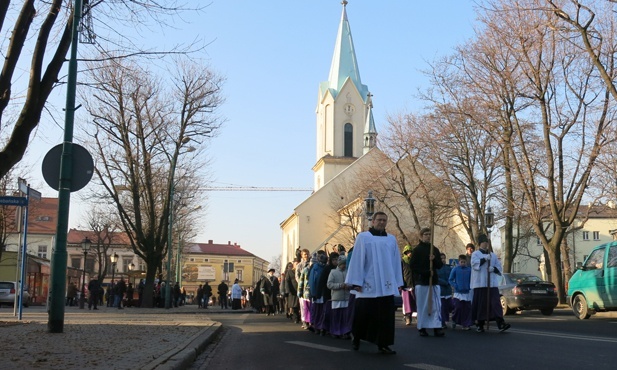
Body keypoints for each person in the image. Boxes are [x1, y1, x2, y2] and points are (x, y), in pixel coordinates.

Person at [345, 211, 403, 355]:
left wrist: (398, 281)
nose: (382, 222)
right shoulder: (363, 237)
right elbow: (357, 260)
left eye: (384, 220)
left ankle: (384, 344)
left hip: (386, 284)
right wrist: (356, 281)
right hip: (368, 283)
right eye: (379, 220)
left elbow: (396, 262)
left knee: (385, 317)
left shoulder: (391, 239)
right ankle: (357, 338)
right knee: (363, 314)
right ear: (373, 221)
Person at [471, 234, 510, 332]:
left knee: (495, 303)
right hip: (480, 284)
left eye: (487, 242)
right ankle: (480, 324)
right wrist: (484, 259)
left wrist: (494, 269)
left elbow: (499, 268)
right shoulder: (475, 254)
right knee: (481, 304)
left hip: (491, 284)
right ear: (480, 244)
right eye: (484, 242)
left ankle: (501, 323)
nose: (486, 244)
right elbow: (474, 264)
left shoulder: (493, 255)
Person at [410, 228, 444, 337]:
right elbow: (413, 266)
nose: (428, 236)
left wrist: (434, 259)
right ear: (421, 236)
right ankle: (422, 327)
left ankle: (436, 327)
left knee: (435, 305)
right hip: (422, 281)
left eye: (430, 234)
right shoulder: (417, 250)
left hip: (433, 282)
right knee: (423, 306)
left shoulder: (434, 249)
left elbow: (439, 265)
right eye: (426, 234)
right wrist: (425, 272)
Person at [327, 254, 352, 339]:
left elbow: (351, 283)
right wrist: (340, 285)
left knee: (345, 316)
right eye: (342, 264)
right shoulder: (333, 272)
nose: (343, 266)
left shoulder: (348, 272)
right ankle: (336, 331)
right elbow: (329, 284)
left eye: (344, 264)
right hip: (337, 298)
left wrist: (349, 286)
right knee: (336, 316)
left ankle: (345, 332)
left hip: (346, 297)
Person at [449, 254, 473, 330]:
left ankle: (465, 324)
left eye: (464, 262)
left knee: (467, 309)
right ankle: (454, 320)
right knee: (458, 307)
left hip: (467, 292)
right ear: (459, 262)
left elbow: (472, 279)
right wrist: (455, 286)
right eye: (461, 262)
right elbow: (450, 279)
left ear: (466, 262)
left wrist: (470, 286)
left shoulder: (469, 270)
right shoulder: (455, 269)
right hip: (458, 293)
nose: (463, 263)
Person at [400, 245, 416, 326]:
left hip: (414, 284)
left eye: (411, 252)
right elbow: (400, 273)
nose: (410, 254)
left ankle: (415, 316)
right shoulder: (403, 261)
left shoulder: (414, 261)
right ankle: (407, 317)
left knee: (414, 301)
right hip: (406, 285)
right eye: (408, 252)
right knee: (407, 303)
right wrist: (401, 283)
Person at [437, 253, 453, 329]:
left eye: (444, 258)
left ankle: (446, 320)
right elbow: (436, 278)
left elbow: (452, 276)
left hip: (448, 290)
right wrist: (444, 282)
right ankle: (442, 322)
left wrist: (450, 282)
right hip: (441, 290)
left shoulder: (448, 268)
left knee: (449, 306)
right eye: (441, 258)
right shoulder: (436, 268)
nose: (443, 260)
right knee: (442, 307)